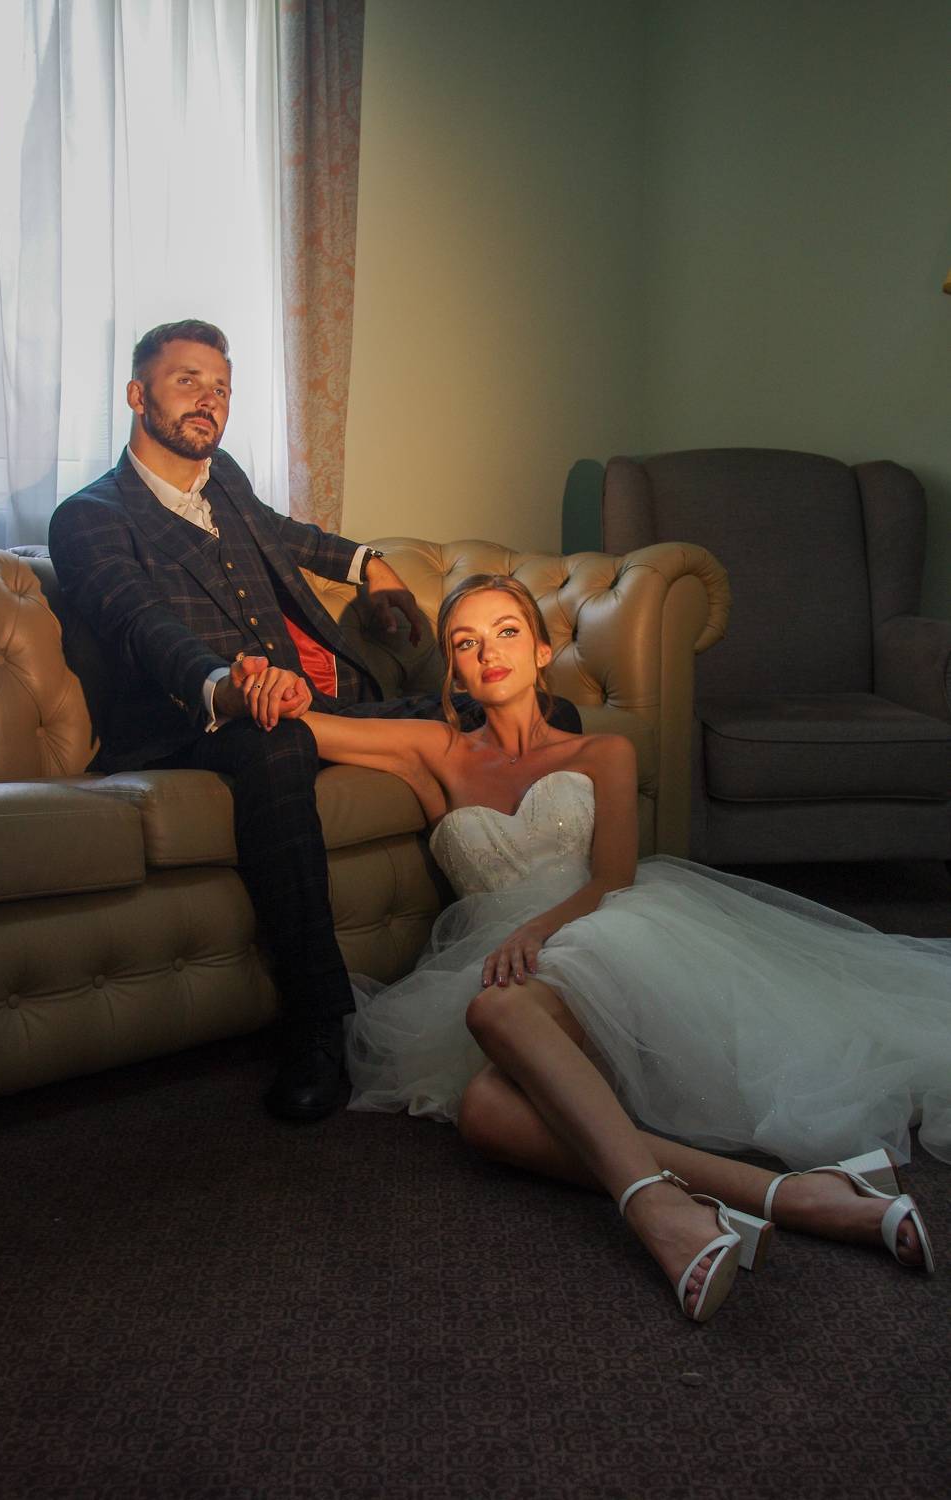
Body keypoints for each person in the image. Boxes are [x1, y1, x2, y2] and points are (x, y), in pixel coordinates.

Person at [250, 571, 946, 1322]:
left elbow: (614, 877)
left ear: (542, 651)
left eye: (507, 633)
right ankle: (785, 1196)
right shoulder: (437, 750)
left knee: (494, 1014)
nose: (489, 653)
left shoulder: (602, 751)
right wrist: (258, 682)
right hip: (502, 961)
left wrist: (535, 930)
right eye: (466, 643)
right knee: (485, 1112)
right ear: (452, 670)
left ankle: (662, 1206)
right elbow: (304, 722)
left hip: (604, 931)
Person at [48, 319, 581, 1123]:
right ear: (136, 394)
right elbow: (136, 621)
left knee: (541, 712)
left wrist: (370, 564)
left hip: (307, 708)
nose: (209, 400)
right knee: (277, 745)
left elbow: (287, 536)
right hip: (189, 721)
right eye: (188, 381)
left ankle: (564, 944)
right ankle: (316, 1019)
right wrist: (224, 683)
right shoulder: (90, 516)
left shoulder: (224, 478)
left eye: (220, 387)